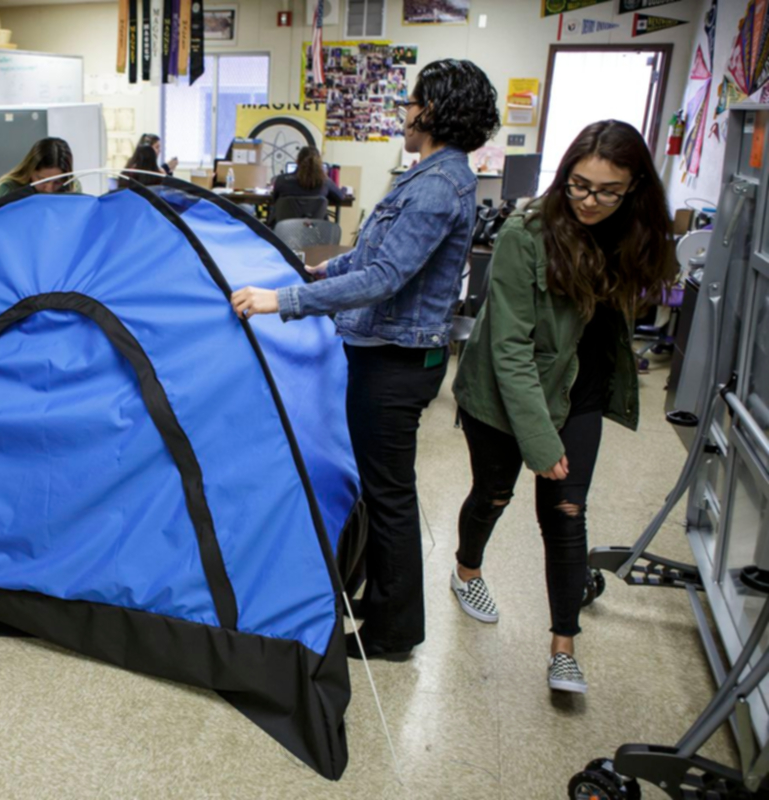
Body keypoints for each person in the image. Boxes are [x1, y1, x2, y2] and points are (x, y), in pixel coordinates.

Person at [230, 59, 500, 661]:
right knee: (382, 489)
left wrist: (286, 299)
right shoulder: (431, 175)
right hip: (387, 354)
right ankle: (378, 604)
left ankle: (392, 632)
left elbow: (385, 276)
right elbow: (373, 254)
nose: (403, 110)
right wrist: (323, 269)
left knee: (388, 494)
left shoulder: (435, 184)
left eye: (411, 101)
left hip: (395, 363)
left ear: (432, 110)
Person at [450, 120, 674, 694]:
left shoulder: (632, 229)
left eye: (607, 190)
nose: (589, 200)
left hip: (582, 389)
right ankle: (467, 571)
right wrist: (539, 440)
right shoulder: (526, 234)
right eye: (578, 185)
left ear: (633, 188)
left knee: (567, 513)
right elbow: (509, 348)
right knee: (493, 495)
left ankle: (564, 647)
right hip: (504, 396)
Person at [266, 146, 344, 226]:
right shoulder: (325, 182)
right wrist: (344, 190)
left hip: (284, 232)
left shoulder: (282, 180)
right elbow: (340, 198)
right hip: (314, 232)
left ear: (297, 161)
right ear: (319, 163)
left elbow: (275, 199)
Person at [0, 137, 74, 202]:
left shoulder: (71, 187)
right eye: (43, 180)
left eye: (57, 182)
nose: (49, 189)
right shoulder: (7, 189)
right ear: (29, 171)